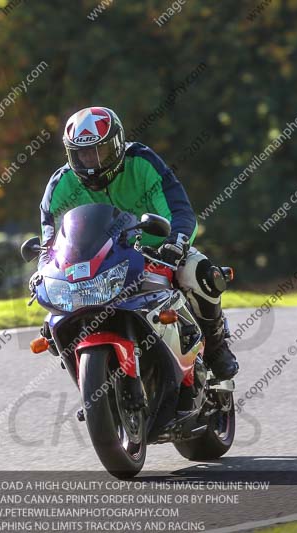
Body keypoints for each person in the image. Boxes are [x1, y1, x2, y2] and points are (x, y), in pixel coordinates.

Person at [38, 106, 239, 403]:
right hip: (96, 264)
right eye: (82, 154)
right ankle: (100, 390)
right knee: (52, 321)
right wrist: (43, 270)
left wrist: (175, 244)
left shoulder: (142, 161)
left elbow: (181, 211)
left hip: (155, 250)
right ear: (71, 154)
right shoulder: (60, 184)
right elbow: (48, 241)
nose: (91, 162)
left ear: (117, 145)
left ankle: (216, 347)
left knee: (202, 275)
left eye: (100, 152)